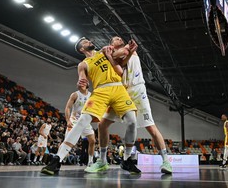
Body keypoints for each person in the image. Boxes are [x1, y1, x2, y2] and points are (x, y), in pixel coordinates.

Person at [41, 37, 140, 175]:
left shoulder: (104, 51)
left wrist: (129, 48)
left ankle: (127, 159)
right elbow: (82, 79)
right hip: (100, 91)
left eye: (88, 40)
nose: (89, 41)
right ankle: (57, 160)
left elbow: (121, 54)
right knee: (82, 121)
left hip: (117, 88)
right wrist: (81, 82)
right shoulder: (83, 64)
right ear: (82, 49)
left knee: (132, 121)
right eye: (86, 42)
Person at [88, 36, 172, 174]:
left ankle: (166, 161)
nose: (119, 38)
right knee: (102, 124)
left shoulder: (129, 50)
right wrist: (107, 54)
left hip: (138, 90)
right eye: (115, 38)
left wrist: (107, 53)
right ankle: (102, 160)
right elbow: (118, 68)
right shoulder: (111, 59)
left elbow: (122, 53)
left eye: (120, 38)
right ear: (111, 44)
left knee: (151, 127)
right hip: (121, 91)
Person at [64, 84, 95, 167]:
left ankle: (90, 162)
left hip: (85, 120)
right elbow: (67, 108)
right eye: (79, 82)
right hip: (74, 120)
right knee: (67, 142)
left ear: (87, 84)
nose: (81, 82)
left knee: (92, 141)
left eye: (84, 81)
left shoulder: (91, 95)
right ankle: (58, 160)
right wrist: (68, 120)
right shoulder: (75, 94)